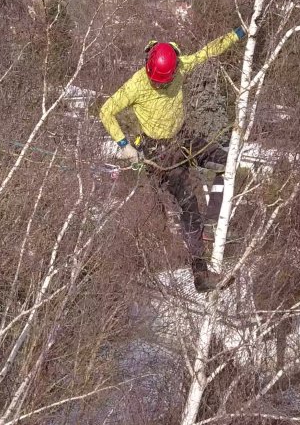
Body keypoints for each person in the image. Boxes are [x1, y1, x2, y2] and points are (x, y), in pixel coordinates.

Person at [99, 26, 246, 292]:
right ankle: (201, 275)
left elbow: (208, 52)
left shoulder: (179, 67)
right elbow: (106, 111)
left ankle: (213, 217)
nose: (159, 86)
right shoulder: (136, 84)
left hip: (183, 138)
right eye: (156, 82)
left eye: (163, 83)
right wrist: (125, 145)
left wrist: (239, 33)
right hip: (159, 153)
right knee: (189, 206)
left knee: (226, 161)